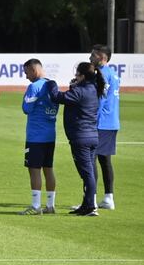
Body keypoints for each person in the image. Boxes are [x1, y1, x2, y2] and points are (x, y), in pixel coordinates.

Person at [47, 62, 105, 216]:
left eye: (77, 74)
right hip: (91, 136)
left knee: (86, 174)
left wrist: (51, 84)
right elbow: (76, 99)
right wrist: (74, 87)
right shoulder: (93, 89)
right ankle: (87, 205)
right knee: (89, 172)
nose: (75, 76)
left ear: (83, 76)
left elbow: (57, 97)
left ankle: (91, 206)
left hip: (81, 137)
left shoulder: (81, 91)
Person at [19, 59, 59, 215]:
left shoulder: (34, 87)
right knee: (48, 169)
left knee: (34, 170)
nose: (26, 76)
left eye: (27, 72)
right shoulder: (52, 85)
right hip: (50, 134)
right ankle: (50, 206)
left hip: (36, 136)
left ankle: (35, 206)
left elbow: (26, 109)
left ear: (33, 70)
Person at [90, 44, 120, 210]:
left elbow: (100, 99)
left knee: (90, 160)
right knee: (104, 160)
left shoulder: (101, 74)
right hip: (112, 121)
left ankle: (91, 200)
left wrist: (92, 118)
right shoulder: (114, 74)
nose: (90, 58)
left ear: (102, 58)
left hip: (101, 122)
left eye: (93, 55)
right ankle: (109, 198)